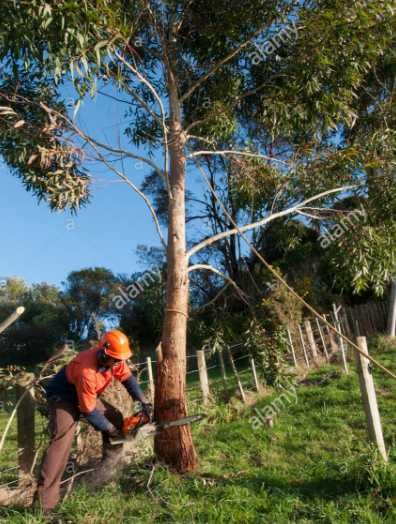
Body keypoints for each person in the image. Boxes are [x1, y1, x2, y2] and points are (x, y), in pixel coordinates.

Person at [35, 329, 152, 513]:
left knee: (115, 417)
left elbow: (128, 379)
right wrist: (111, 430)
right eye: (115, 359)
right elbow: (88, 410)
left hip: (85, 394)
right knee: (62, 442)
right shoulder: (86, 370)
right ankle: (44, 506)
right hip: (63, 397)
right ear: (104, 353)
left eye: (120, 360)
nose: (118, 363)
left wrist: (143, 402)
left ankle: (108, 468)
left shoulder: (115, 359)